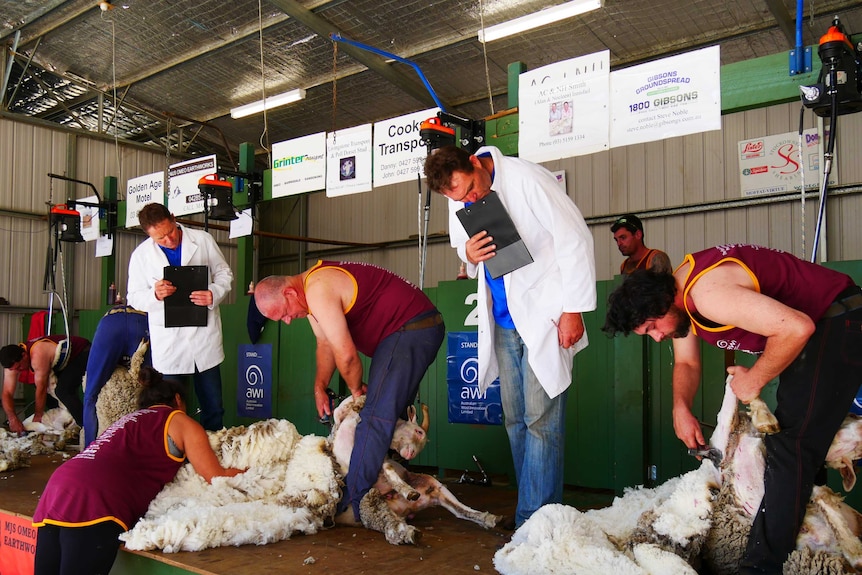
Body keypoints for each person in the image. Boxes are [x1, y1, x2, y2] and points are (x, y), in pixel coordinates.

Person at [602, 243, 862, 575]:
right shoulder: (681, 303)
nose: (656, 338)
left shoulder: (707, 293)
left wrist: (754, 379)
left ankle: (759, 567)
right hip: (822, 329)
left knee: (791, 447)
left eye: (653, 327)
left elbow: (797, 327)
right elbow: (687, 362)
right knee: (800, 443)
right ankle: (808, 549)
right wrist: (680, 408)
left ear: (665, 302)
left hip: (837, 319)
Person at [423, 145, 596, 529]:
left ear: (474, 163)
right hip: (503, 318)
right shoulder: (459, 194)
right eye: (457, 198)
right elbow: (462, 250)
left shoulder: (528, 179)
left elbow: (576, 239)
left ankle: (534, 521)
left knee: (541, 420)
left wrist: (574, 310)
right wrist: (467, 252)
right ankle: (534, 510)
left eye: (468, 190)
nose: (467, 200)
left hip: (546, 313)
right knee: (516, 419)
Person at [252, 261, 445, 522]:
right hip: (402, 331)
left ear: (289, 293)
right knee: (387, 419)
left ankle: (354, 506)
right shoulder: (311, 296)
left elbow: (347, 355)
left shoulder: (319, 288)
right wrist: (320, 387)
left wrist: (357, 392)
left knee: (374, 418)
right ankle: (392, 495)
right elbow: (325, 344)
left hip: (410, 326)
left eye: (283, 313)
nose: (286, 321)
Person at [32, 366, 243, 575]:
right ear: (178, 400)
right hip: (94, 496)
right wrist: (258, 469)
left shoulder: (125, 422)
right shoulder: (179, 420)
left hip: (58, 487)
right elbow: (216, 477)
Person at [127, 203, 233, 431]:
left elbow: (224, 272)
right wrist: (154, 294)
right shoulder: (141, 256)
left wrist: (213, 292)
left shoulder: (202, 239)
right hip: (170, 342)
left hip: (204, 336)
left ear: (174, 219)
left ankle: (213, 453)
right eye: (160, 239)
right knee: (169, 408)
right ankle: (175, 454)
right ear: (148, 235)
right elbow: (134, 297)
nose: (168, 240)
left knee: (213, 405)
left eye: (170, 232)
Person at [82, 304, 151, 446]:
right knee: (149, 392)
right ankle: (145, 449)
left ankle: (90, 451)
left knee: (91, 394)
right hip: (142, 323)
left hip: (111, 323)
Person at [1, 335, 90, 433]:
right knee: (50, 397)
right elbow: (7, 393)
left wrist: (38, 416)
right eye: (14, 370)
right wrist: (12, 418)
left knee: (63, 391)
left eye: (19, 367)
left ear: (24, 355)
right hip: (63, 362)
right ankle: (68, 422)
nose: (18, 371)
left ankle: (86, 428)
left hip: (83, 353)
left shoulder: (37, 353)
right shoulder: (12, 364)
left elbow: (42, 387)